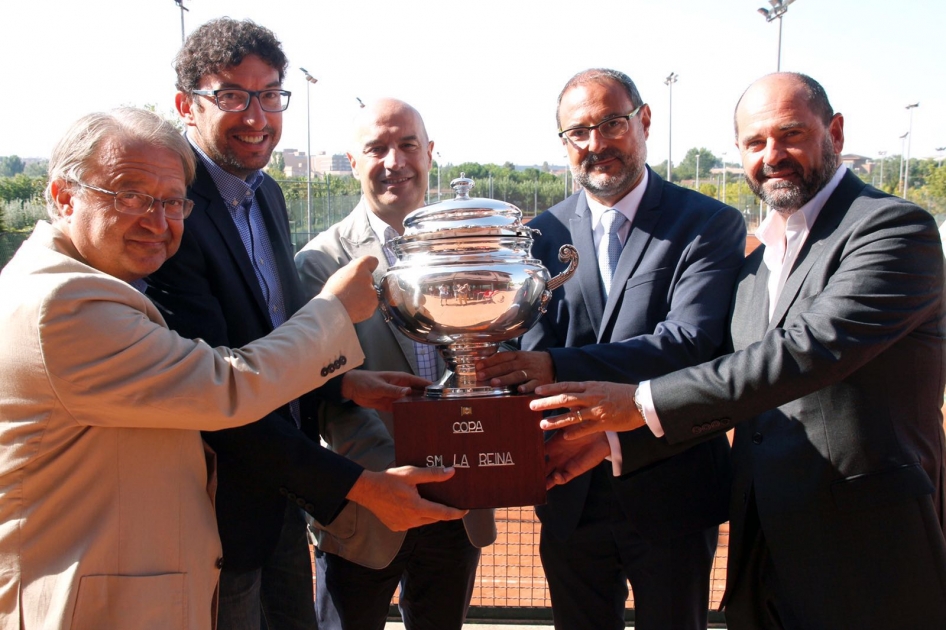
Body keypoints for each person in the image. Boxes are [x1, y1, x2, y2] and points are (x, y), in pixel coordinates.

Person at [0, 108, 465, 630]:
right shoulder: (65, 304)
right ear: (65, 196)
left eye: (173, 202)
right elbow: (224, 386)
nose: (157, 221)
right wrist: (332, 312)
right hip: (90, 602)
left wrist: (341, 383)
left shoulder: (89, 287)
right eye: (130, 194)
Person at [531, 73, 946, 629]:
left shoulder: (893, 229)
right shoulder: (759, 264)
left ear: (836, 132)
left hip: (864, 542)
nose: (772, 156)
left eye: (790, 135)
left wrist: (637, 403)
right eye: (754, 143)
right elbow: (726, 384)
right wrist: (609, 441)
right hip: (764, 537)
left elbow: (805, 352)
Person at [145, 19, 457, 629]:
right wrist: (361, 488)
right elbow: (218, 396)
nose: (256, 116)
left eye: (268, 95)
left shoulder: (263, 194)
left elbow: (268, 348)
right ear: (186, 106)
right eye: (231, 95)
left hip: (282, 502)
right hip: (218, 511)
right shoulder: (174, 212)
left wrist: (341, 385)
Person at [474, 68, 745, 629]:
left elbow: (688, 344)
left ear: (643, 121)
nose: (596, 143)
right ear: (564, 143)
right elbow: (523, 350)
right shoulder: (536, 237)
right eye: (579, 132)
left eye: (612, 124)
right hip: (569, 490)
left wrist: (553, 366)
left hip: (671, 488)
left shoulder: (708, 223)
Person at [295, 98, 496, 630]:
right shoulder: (322, 261)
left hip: (458, 501)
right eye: (376, 148)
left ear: (430, 153)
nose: (394, 161)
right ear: (353, 161)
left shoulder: (470, 250)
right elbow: (323, 393)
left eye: (408, 145)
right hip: (368, 505)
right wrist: (396, 480)